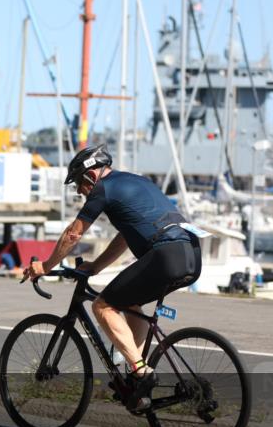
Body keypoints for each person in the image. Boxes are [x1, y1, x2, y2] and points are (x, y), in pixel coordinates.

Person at [23, 144, 202, 412]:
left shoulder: (102, 189)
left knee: (102, 305)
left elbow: (74, 234)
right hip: (191, 254)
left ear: (91, 175)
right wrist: (95, 266)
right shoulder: (135, 181)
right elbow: (124, 237)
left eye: (79, 184)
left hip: (165, 255)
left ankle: (141, 371)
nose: (80, 192)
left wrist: (46, 266)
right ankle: (137, 372)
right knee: (129, 304)